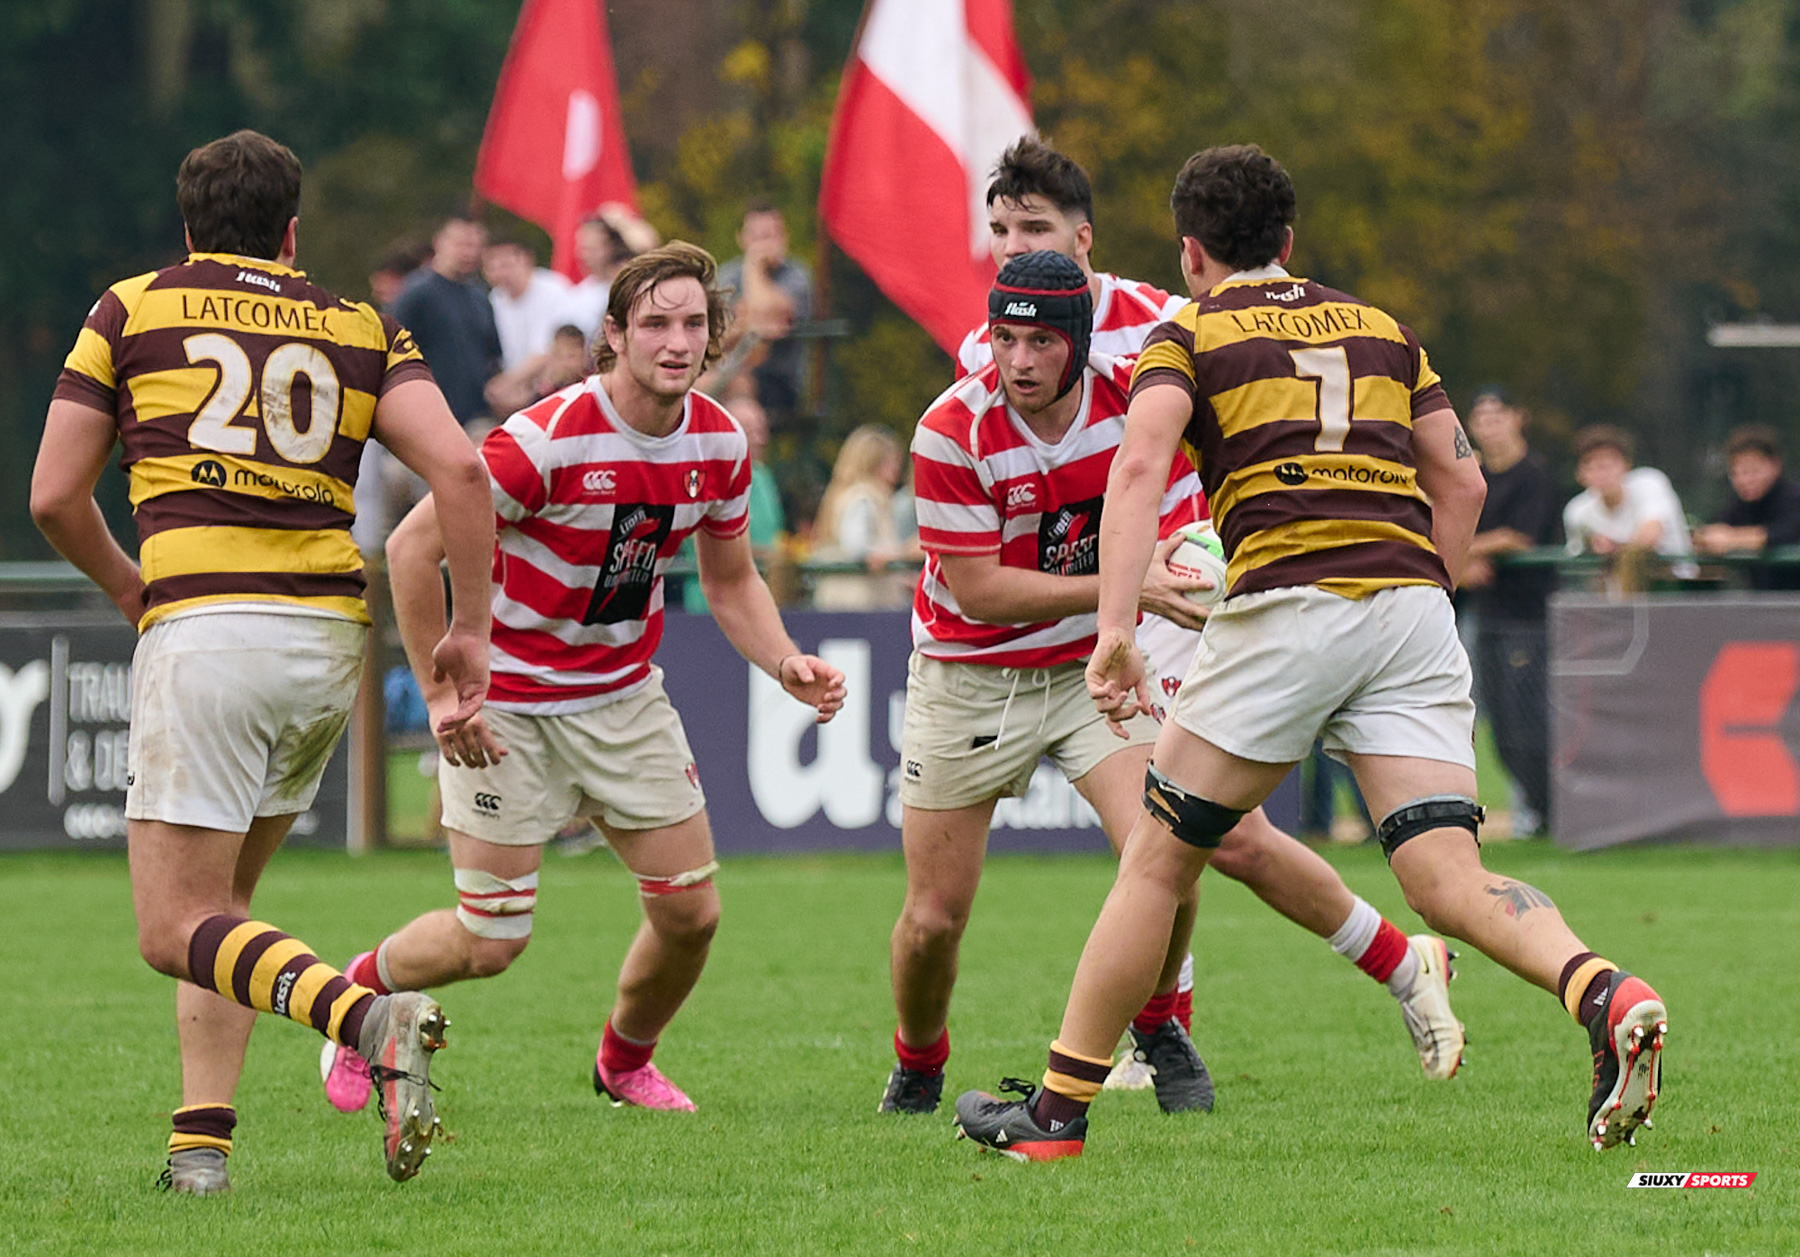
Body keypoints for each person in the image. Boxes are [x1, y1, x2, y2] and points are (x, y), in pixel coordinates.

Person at [954, 145, 1667, 1162]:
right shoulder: (1382, 329)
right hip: (1410, 606)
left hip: (1289, 601)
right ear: (1288, 242)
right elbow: (1458, 485)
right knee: (1446, 878)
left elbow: (1140, 469)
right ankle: (1606, 989)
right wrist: (1423, 598)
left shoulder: (1186, 332)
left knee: (1157, 859)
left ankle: (1055, 1118)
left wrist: (1116, 631)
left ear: (1191, 252)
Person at [30, 129, 498, 1192]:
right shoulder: (363, 325)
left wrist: (122, 582)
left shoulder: (134, 306)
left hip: (209, 628)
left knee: (172, 926)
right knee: (224, 911)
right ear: (294, 231)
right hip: (327, 637)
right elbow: (463, 472)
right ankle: (201, 1150)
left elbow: (55, 495)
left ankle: (365, 1019)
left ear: (188, 228)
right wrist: (466, 626)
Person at [948, 138, 1465, 1096]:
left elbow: (1178, 450)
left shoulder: (1168, 315)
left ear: (1086, 238)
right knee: (1205, 837)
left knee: (1187, 835)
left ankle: (1145, 1042)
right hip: (1111, 602)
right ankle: (1396, 961)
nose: (1013, 248)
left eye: (1034, 228)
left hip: (1187, 591)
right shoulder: (991, 342)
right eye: (1000, 231)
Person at [316, 242, 846, 1116]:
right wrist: (445, 693)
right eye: (655, 323)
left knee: (692, 915)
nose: (675, 341)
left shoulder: (716, 440)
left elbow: (731, 580)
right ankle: (354, 1001)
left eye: (693, 324)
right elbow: (411, 548)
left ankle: (622, 1063)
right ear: (614, 334)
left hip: (624, 696)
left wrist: (784, 659)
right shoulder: (544, 438)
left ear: (714, 336)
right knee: (491, 941)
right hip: (511, 708)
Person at [1461, 389, 1561, 832]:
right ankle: (1539, 813)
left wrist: (1464, 552)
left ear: (1519, 418)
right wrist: (1465, 561)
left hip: (1529, 619)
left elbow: (1519, 536)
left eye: (1497, 414)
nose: (1488, 423)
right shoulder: (1473, 478)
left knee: (1532, 726)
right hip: (1488, 616)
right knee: (1499, 730)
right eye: (1480, 416)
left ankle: (1551, 812)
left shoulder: (1534, 476)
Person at [392, 211, 503, 426]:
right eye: (460, 244)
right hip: (427, 421)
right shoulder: (416, 294)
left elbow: (493, 358)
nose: (467, 252)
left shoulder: (480, 298)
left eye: (474, 245)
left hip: (475, 421)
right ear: (439, 242)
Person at [718, 200, 814, 423]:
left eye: (770, 236)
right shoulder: (727, 275)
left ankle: (743, 451)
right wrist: (750, 324)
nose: (763, 246)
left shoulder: (797, 276)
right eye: (757, 237)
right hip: (730, 368)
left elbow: (767, 314)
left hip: (780, 381)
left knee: (735, 383)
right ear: (741, 238)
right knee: (695, 382)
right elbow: (717, 332)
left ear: (784, 237)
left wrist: (753, 265)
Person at [811, 424, 911, 610]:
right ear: (872, 462)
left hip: (848, 604)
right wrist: (898, 552)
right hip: (856, 606)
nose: (897, 468)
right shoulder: (862, 499)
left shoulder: (858, 497)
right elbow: (857, 546)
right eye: (891, 461)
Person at [1693, 424, 1800, 588]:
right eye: (1737, 473)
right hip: (1761, 605)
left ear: (1775, 465)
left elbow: (1780, 534)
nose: (1744, 481)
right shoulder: (1739, 505)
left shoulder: (1793, 498)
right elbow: (1712, 528)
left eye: (1753, 471)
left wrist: (1731, 539)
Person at [1563, 426, 1692, 561]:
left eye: (1608, 465)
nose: (1602, 474)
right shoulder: (1576, 510)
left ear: (1626, 465)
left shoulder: (1650, 482)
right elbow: (1579, 561)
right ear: (1580, 474)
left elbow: (1649, 536)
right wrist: (1594, 546)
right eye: (1592, 467)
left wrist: (1613, 548)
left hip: (1675, 579)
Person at [484, 236, 571, 372]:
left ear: (527, 260)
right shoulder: (495, 298)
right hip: (514, 382)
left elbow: (546, 348)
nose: (500, 274)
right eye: (492, 268)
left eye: (506, 265)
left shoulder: (554, 288)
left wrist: (509, 382)